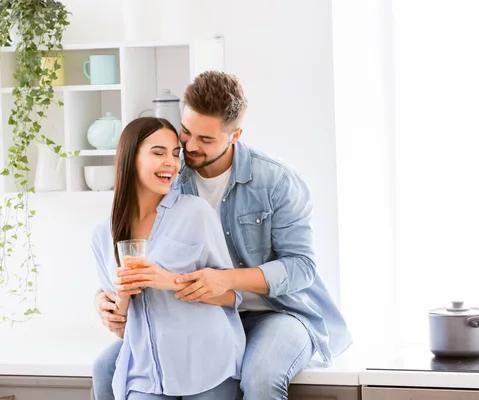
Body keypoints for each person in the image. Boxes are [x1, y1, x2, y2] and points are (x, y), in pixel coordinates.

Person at [93, 71, 352, 400]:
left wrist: (227, 280)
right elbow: (137, 236)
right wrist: (103, 298)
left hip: (276, 312)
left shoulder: (275, 180)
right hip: (202, 316)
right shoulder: (172, 172)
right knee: (106, 366)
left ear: (235, 134)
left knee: (261, 378)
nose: (188, 146)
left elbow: (302, 267)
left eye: (206, 139)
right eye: (186, 131)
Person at [91, 117, 245, 400]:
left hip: (207, 364)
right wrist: (119, 299)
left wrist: (169, 281)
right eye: (158, 153)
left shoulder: (195, 214)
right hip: (147, 374)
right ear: (130, 158)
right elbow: (121, 327)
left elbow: (232, 297)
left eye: (175, 154)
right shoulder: (103, 234)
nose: (171, 164)